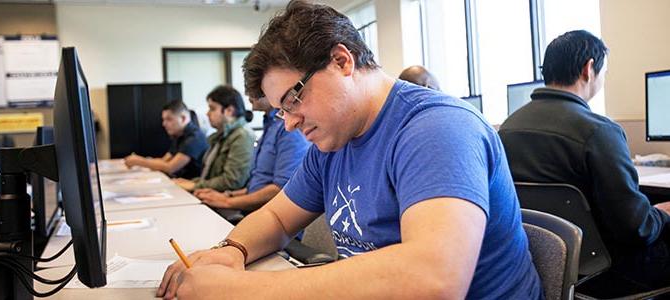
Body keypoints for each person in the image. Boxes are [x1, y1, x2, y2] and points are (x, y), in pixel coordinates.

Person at [159, 2, 542, 299]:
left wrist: (237, 290)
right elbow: (276, 218)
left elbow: (435, 280)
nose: (289, 122)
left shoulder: (435, 129)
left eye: (293, 98)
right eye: (280, 110)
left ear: (342, 61)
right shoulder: (333, 139)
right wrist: (233, 250)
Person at [499, 30, 670, 295]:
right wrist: (663, 212)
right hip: (605, 268)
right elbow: (637, 229)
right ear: (589, 68)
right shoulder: (598, 131)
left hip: (543, 260)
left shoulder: (509, 127)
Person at [194, 95, 309, 212]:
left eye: (255, 86)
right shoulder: (271, 126)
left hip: (269, 217)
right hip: (254, 211)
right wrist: (228, 195)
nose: (248, 93)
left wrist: (227, 201)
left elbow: (282, 189)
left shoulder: (287, 130)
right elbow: (257, 184)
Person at [173, 85, 256, 192]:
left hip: (226, 203)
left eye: (212, 108)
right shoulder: (220, 136)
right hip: (211, 196)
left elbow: (232, 181)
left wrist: (194, 186)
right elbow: (210, 177)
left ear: (229, 111)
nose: (207, 114)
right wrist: (193, 182)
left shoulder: (242, 136)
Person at [124, 100, 208, 179]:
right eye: (163, 120)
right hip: (179, 182)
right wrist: (144, 161)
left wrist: (139, 161)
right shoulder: (179, 135)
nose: (164, 124)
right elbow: (164, 160)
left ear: (183, 118)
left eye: (169, 119)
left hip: (191, 187)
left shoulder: (194, 138)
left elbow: (171, 167)